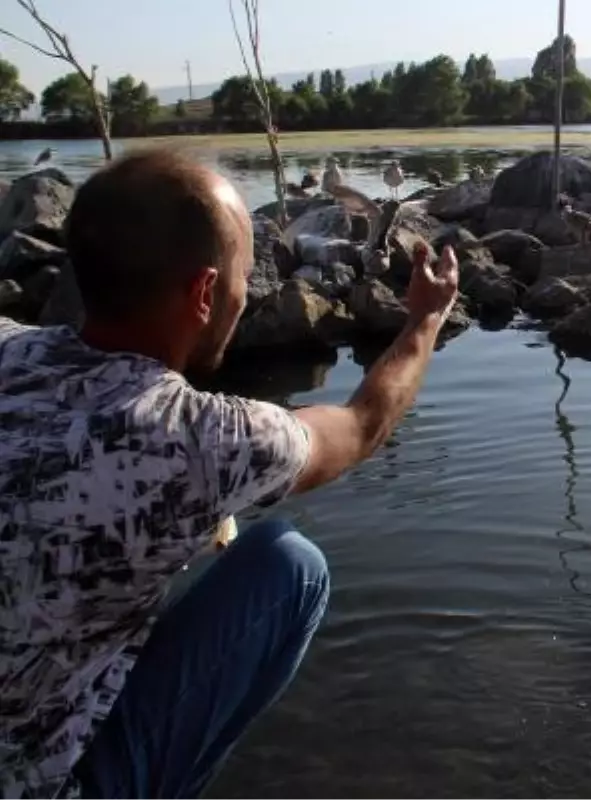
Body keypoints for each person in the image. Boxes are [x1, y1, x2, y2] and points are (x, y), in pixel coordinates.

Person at [0, 149, 460, 800]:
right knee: (290, 566)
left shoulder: (9, 349)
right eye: (245, 274)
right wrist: (425, 318)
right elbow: (362, 423)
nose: (247, 295)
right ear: (204, 293)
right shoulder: (202, 439)